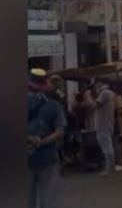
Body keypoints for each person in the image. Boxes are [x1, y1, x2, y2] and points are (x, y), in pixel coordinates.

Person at [28, 69, 66, 208]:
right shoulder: (54, 105)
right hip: (48, 156)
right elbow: (59, 132)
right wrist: (40, 142)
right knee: (49, 199)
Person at [84, 77, 122, 176]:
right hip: (106, 123)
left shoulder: (105, 93)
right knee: (107, 146)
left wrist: (87, 96)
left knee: (107, 147)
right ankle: (111, 166)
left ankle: (110, 168)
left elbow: (93, 105)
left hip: (103, 124)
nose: (94, 88)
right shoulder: (109, 93)